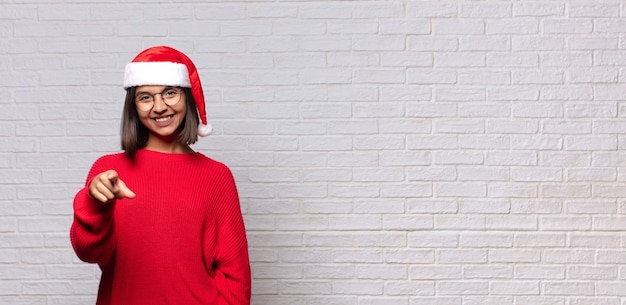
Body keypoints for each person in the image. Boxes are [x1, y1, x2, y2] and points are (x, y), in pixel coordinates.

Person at [70, 46, 251, 305]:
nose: (159, 107)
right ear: (133, 106)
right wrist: (95, 204)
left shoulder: (216, 176)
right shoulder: (108, 172)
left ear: (187, 97)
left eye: (170, 93)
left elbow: (236, 275)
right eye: (145, 97)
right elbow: (89, 252)